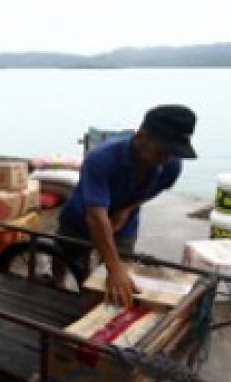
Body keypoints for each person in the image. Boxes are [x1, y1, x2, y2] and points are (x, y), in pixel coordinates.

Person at [57, 104, 198, 306]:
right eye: (162, 150)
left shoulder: (171, 165)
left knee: (121, 268)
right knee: (67, 255)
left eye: (172, 152)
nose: (166, 158)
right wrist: (113, 268)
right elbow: (96, 216)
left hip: (125, 224)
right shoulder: (99, 159)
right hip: (82, 216)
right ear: (141, 136)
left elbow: (154, 191)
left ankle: (96, 302)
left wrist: (127, 210)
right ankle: (57, 283)